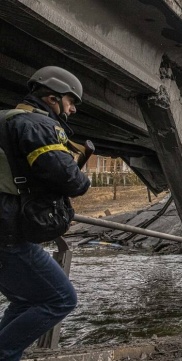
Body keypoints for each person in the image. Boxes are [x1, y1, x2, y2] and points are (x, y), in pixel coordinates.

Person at [0, 66, 90, 360]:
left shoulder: (6, 121)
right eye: (70, 101)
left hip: (6, 228)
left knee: (27, 301)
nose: (73, 109)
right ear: (52, 97)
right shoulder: (39, 125)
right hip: (8, 233)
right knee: (61, 298)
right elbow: (72, 180)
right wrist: (80, 176)